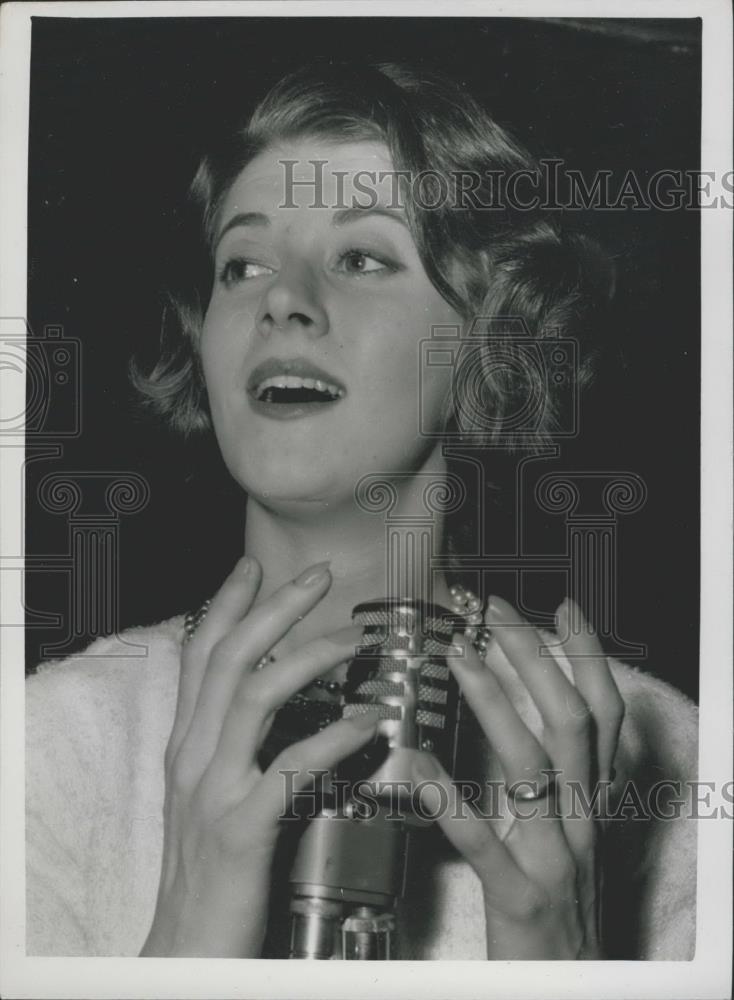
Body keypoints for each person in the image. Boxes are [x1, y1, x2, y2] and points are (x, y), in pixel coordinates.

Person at [26, 61, 698, 961]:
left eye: (362, 258)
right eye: (243, 263)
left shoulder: (666, 761)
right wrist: (189, 933)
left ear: (492, 337)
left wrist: (558, 960)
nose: (283, 302)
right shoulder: (49, 742)